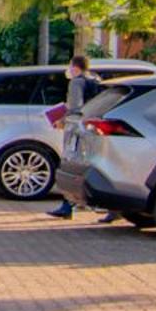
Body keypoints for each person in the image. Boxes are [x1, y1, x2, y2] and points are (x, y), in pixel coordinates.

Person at [46, 55, 116, 221]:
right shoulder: (95, 80)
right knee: (96, 166)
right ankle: (111, 208)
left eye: (70, 66)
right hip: (94, 127)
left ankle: (67, 205)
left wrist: (62, 121)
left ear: (75, 67)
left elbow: (75, 107)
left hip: (77, 129)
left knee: (72, 165)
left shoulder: (77, 82)